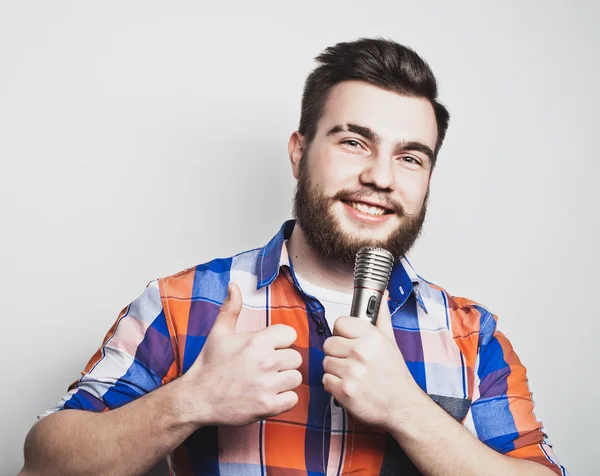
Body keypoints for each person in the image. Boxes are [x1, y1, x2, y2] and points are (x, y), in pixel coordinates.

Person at [20, 38, 568, 476]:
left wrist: (407, 411)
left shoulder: (473, 335)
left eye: (410, 158)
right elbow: (43, 462)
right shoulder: (184, 304)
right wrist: (190, 401)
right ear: (299, 153)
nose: (379, 177)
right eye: (354, 142)